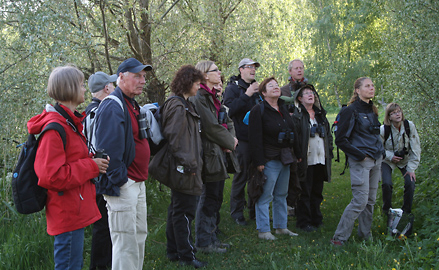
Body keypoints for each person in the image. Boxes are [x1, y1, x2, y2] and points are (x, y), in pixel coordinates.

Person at [27, 65, 109, 269]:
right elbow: (51, 176)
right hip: (67, 212)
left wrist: (92, 160)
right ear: (70, 89)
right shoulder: (55, 128)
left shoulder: (68, 122)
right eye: (81, 85)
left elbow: (71, 158)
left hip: (75, 208)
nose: (84, 89)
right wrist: (91, 166)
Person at [94, 58, 152, 270]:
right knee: (125, 243)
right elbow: (108, 151)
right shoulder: (112, 105)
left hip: (137, 182)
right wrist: (121, 181)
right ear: (121, 77)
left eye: (144, 76)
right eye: (137, 75)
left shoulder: (131, 103)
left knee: (138, 237)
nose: (143, 81)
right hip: (124, 185)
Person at [158, 65, 206, 268]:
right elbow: (175, 139)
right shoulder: (177, 106)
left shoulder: (185, 104)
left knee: (177, 209)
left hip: (187, 165)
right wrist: (189, 164)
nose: (198, 88)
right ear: (187, 83)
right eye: (196, 84)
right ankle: (187, 255)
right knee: (184, 212)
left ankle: (173, 251)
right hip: (184, 167)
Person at [191, 60, 239, 253]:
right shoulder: (199, 97)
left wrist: (231, 140)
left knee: (216, 197)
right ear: (204, 75)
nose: (219, 73)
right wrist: (229, 142)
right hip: (209, 154)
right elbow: (211, 127)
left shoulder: (213, 97)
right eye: (215, 70)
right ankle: (203, 242)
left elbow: (226, 120)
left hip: (218, 152)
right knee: (209, 198)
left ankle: (211, 237)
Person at [331, 77, 384, 246]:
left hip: (376, 160)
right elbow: (340, 139)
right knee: (360, 201)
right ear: (357, 90)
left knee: (370, 201)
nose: (371, 88)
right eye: (367, 86)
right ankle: (339, 238)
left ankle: (365, 234)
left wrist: (380, 153)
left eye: (372, 85)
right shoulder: (350, 111)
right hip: (361, 161)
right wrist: (360, 155)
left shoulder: (372, 110)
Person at [248, 76, 302, 240]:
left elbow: (293, 132)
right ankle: (264, 230)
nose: (276, 87)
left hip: (285, 157)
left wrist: (298, 154)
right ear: (263, 92)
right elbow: (254, 138)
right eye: (271, 86)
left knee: (281, 194)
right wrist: (259, 162)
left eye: (277, 85)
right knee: (265, 195)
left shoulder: (283, 109)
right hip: (269, 158)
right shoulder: (259, 110)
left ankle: (281, 227)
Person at [223, 58, 261, 226]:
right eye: (249, 67)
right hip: (242, 140)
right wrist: (247, 95)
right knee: (241, 176)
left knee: (258, 176)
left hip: (258, 139)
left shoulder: (257, 88)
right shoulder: (232, 88)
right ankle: (237, 213)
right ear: (241, 70)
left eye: (254, 67)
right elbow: (229, 111)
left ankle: (255, 211)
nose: (253, 70)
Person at [85, 71, 117, 270]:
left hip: (94, 174)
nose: (114, 89)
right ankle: (99, 266)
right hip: (100, 175)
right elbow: (99, 146)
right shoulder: (99, 112)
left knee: (103, 225)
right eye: (112, 86)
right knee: (103, 226)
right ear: (106, 88)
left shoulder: (88, 111)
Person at [291, 84, 332, 232]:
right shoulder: (298, 116)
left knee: (317, 191)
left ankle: (316, 218)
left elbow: (328, 135)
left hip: (321, 159)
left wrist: (330, 152)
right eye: (306, 93)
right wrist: (297, 155)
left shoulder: (321, 115)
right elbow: (294, 137)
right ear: (300, 99)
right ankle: (304, 221)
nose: (310, 95)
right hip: (306, 160)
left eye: (312, 93)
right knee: (305, 192)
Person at [381, 103, 421, 219]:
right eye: (393, 113)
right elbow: (379, 149)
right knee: (387, 183)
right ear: (389, 117)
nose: (397, 114)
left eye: (399, 111)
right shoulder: (383, 130)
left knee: (410, 182)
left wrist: (411, 168)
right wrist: (390, 156)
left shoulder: (409, 126)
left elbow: (416, 148)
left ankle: (406, 211)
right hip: (388, 160)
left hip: (405, 159)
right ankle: (386, 210)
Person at [279, 59, 308, 217]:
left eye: (301, 68)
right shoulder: (283, 90)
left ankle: (304, 202)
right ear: (290, 71)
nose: (299, 70)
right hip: (290, 136)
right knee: (292, 171)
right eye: (296, 68)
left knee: (306, 169)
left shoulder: (309, 89)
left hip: (306, 134)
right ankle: (290, 204)